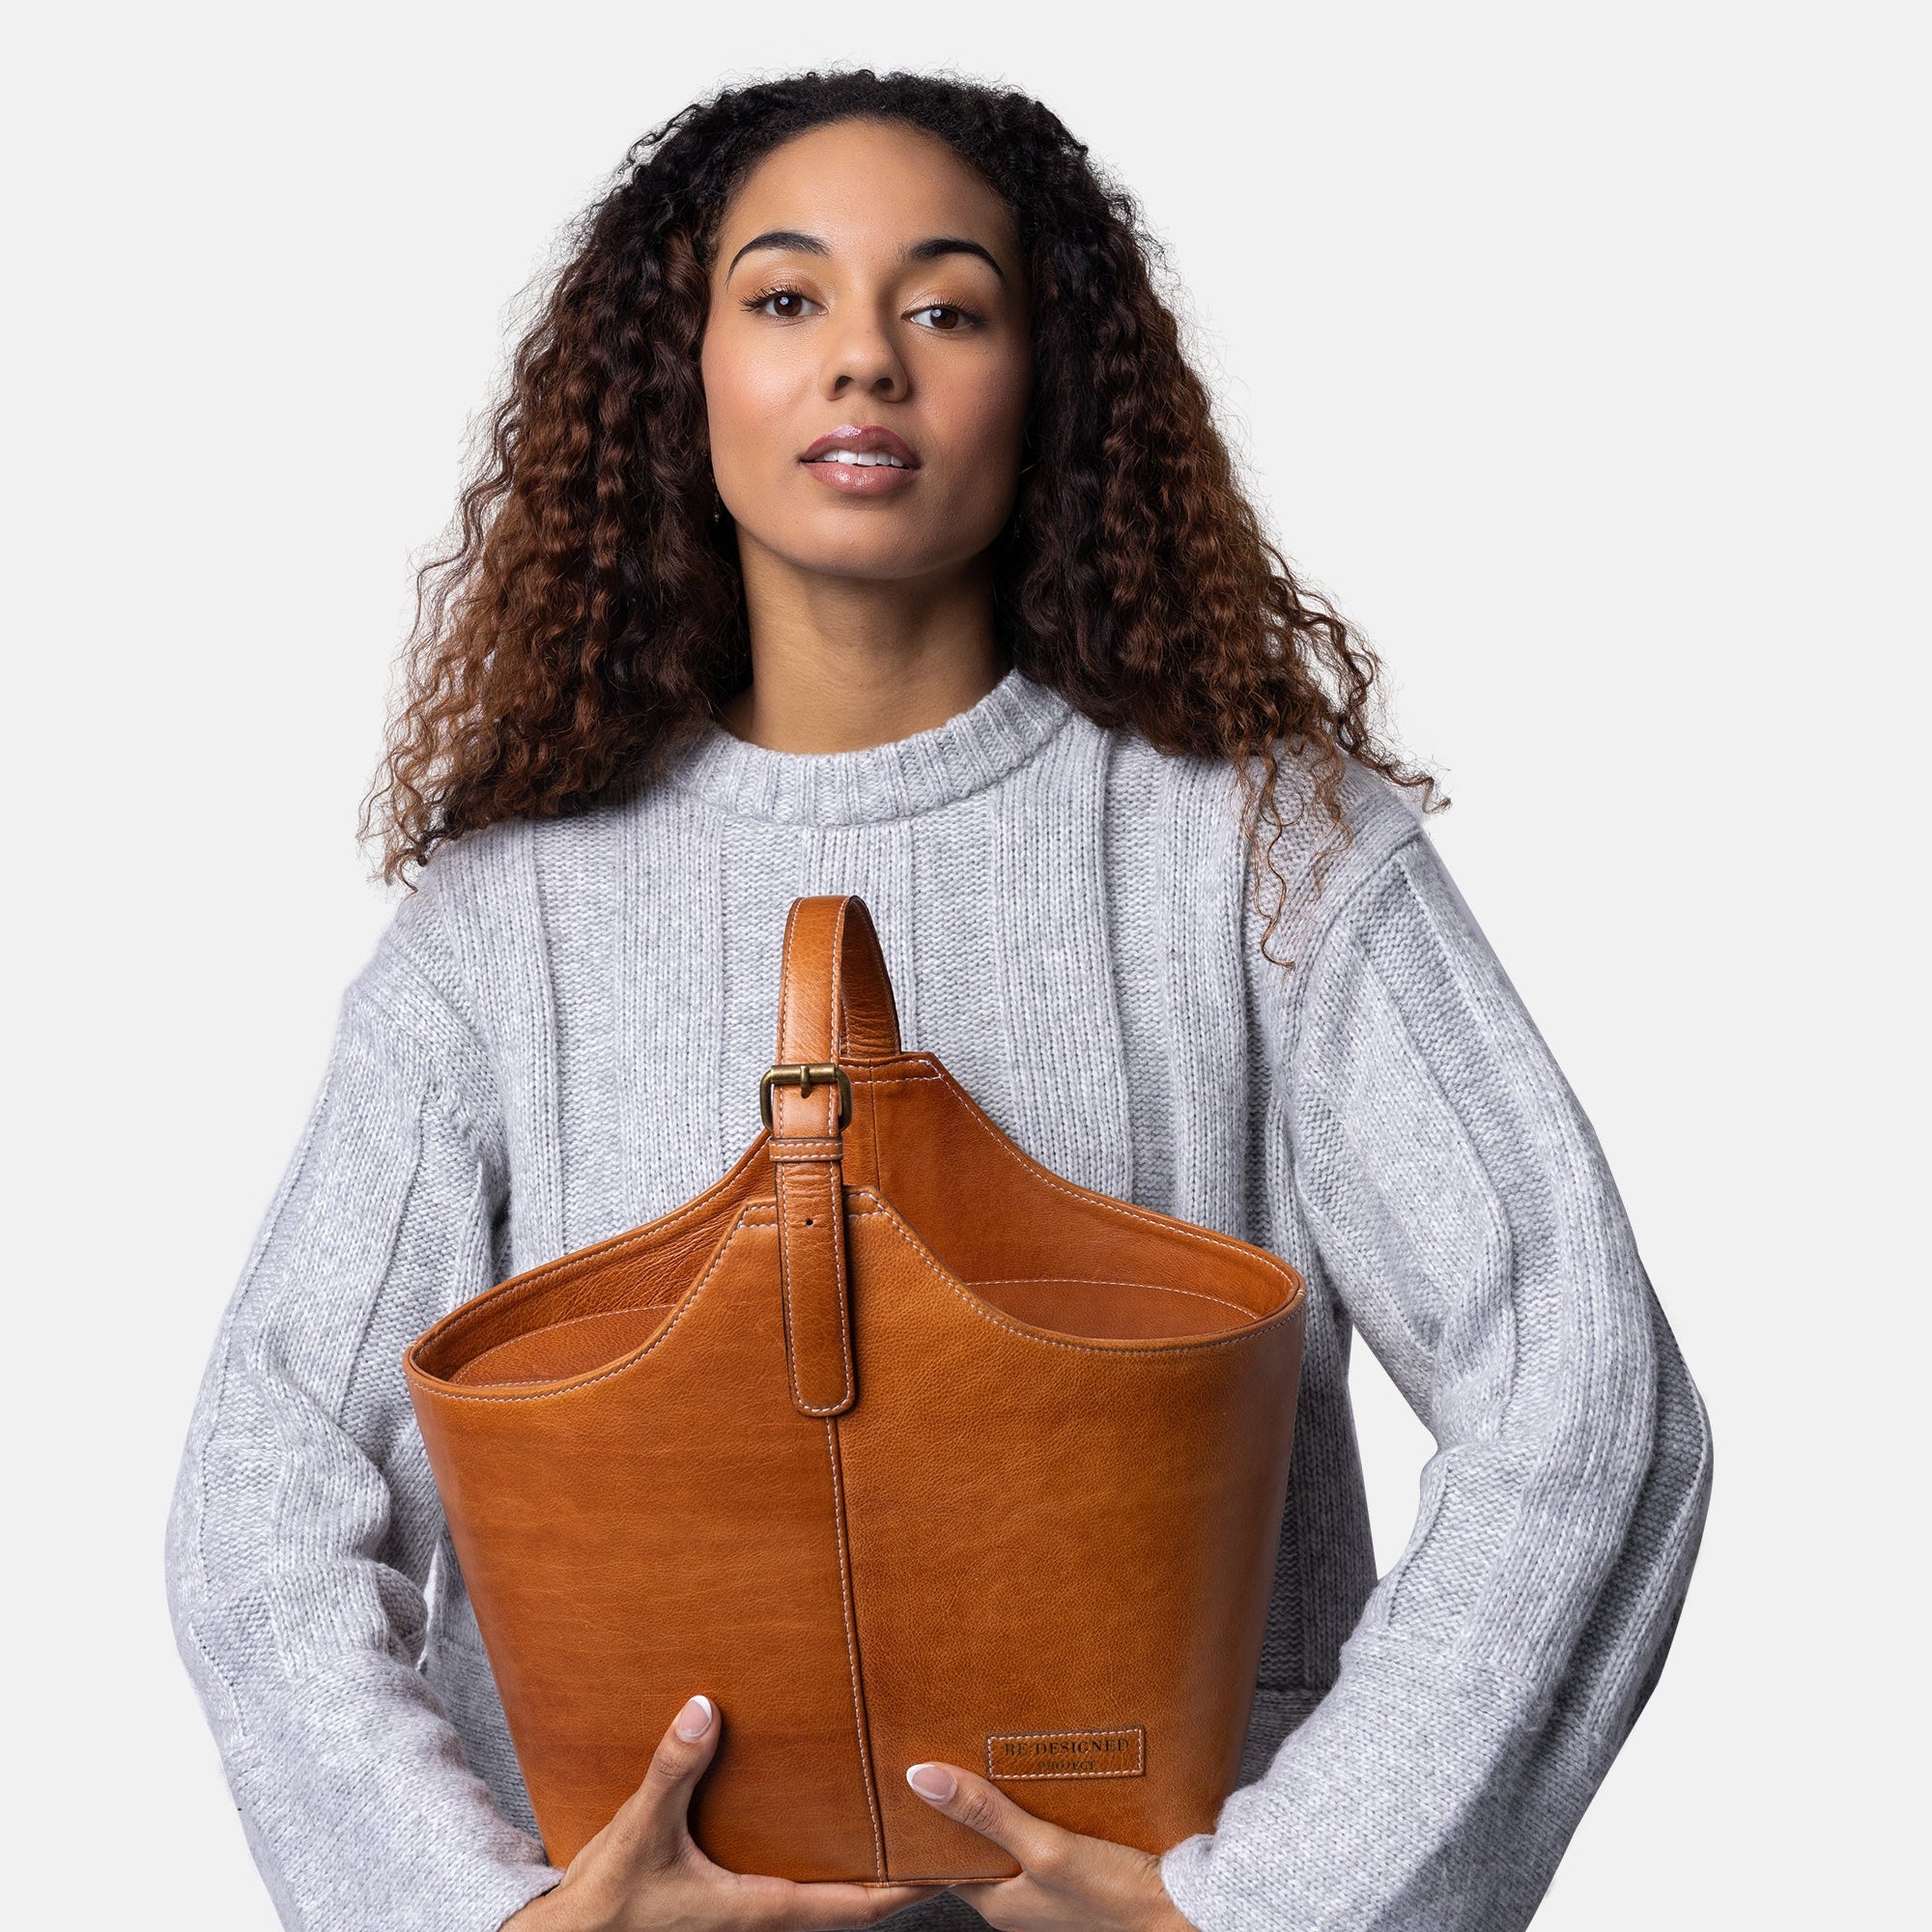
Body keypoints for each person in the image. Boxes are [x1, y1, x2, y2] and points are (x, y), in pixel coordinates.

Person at [163, 68, 1713, 1932]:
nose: (866, 363)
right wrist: (479, 1915)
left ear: (1048, 384)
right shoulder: (508, 924)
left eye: (949, 305)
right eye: (788, 297)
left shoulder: (1265, 851)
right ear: (685, 374)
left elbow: (1588, 1394)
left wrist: (1290, 1901)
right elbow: (265, 1495)